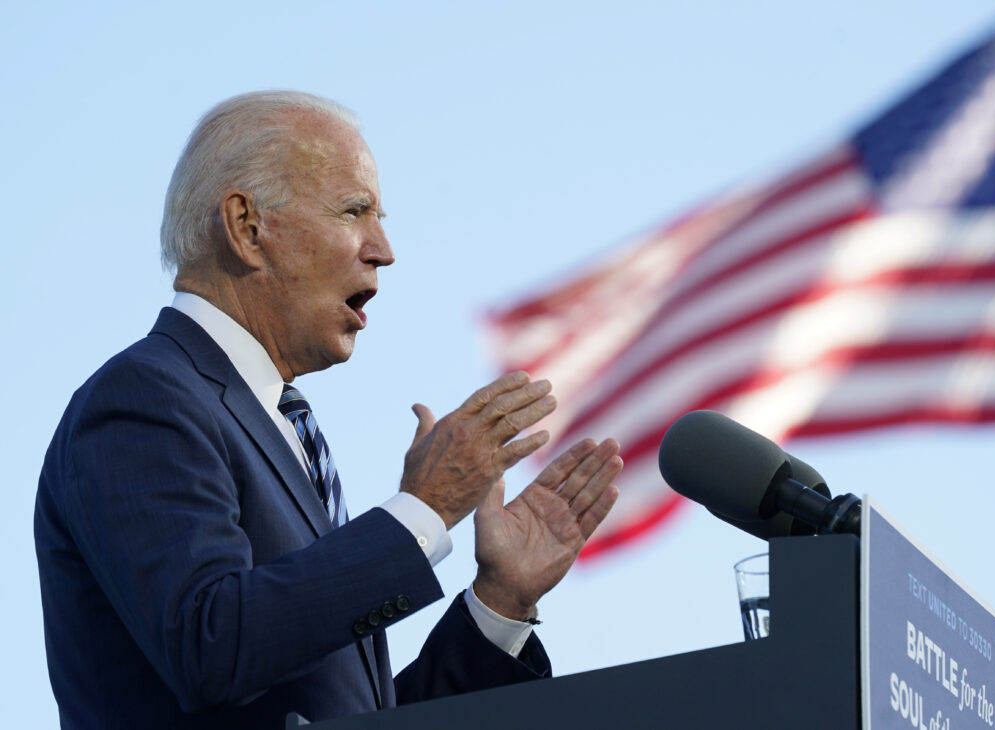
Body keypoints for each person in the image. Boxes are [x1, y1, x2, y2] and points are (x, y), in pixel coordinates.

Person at [34, 90, 622, 729]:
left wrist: (500, 603)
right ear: (247, 227)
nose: (384, 249)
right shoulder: (146, 396)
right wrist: (424, 511)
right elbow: (210, 647)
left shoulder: (277, 423)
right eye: (354, 210)